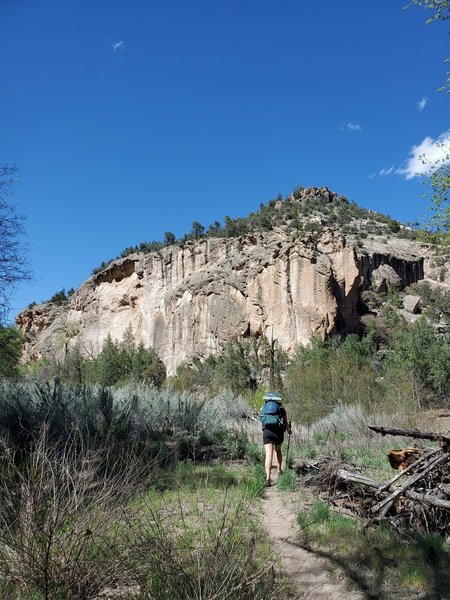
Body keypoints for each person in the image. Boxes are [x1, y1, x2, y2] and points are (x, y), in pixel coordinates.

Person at [260, 392, 291, 487]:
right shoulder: (281, 408)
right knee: (278, 451)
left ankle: (268, 477)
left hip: (267, 433)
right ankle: (279, 470)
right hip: (278, 433)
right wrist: (289, 430)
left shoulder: (264, 407)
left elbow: (261, 420)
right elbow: (285, 423)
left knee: (269, 455)